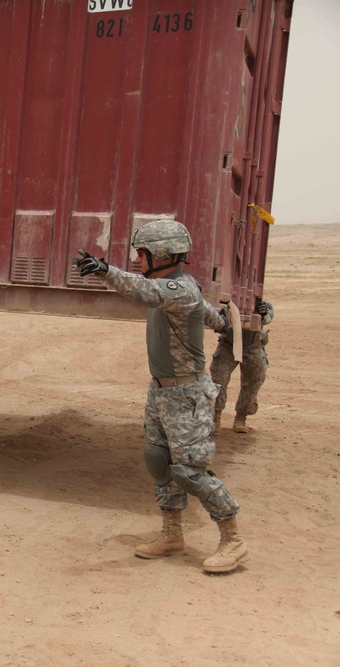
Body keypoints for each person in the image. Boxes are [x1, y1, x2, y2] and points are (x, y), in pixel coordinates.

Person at [74, 219, 249, 573]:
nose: (138, 259)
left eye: (143, 253)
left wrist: (106, 271)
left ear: (164, 255)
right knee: (158, 461)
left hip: (187, 394)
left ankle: (233, 539)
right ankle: (172, 534)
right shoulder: (179, 288)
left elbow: (143, 291)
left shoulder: (176, 289)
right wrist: (222, 322)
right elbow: (208, 316)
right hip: (161, 391)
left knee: (189, 471)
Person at [210, 297, 274, 434]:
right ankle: (216, 418)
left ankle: (241, 418)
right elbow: (215, 322)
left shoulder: (263, 305)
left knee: (253, 382)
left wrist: (263, 314)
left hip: (253, 346)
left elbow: (268, 319)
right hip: (228, 345)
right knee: (218, 381)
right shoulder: (225, 302)